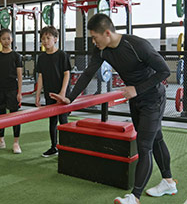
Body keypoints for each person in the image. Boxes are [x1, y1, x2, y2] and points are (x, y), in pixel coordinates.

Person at [50, 14, 177, 204]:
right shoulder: (101, 50)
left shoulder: (137, 45)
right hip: (135, 99)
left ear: (107, 33)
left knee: (144, 145)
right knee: (156, 138)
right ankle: (168, 182)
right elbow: (88, 73)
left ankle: (134, 197)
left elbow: (164, 71)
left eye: (95, 37)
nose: (93, 41)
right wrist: (69, 97)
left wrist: (137, 89)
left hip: (153, 98)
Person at [35, 26, 71, 157]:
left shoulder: (62, 55)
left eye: (48, 38)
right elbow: (41, 77)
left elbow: (67, 74)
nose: (45, 41)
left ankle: (67, 148)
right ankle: (53, 147)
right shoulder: (42, 58)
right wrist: (38, 94)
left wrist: (62, 93)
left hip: (62, 93)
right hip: (49, 93)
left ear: (55, 39)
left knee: (63, 120)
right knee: (52, 120)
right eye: (42, 39)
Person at [0, 28, 23, 154]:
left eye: (8, 38)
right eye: (3, 39)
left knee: (15, 116)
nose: (6, 41)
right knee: (0, 115)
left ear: (12, 39)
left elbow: (20, 76)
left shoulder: (16, 56)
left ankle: (16, 142)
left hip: (12, 90)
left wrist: (19, 92)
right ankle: (1, 141)